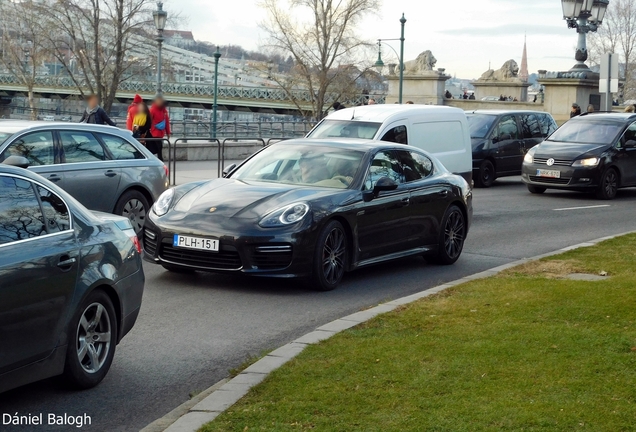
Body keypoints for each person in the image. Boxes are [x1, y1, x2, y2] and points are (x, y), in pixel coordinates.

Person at [149, 96, 171, 161]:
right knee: (158, 147)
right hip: (154, 132)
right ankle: (160, 159)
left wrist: (168, 132)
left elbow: (166, 122)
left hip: (160, 133)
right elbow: (149, 121)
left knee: (158, 147)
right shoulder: (153, 110)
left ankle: (158, 159)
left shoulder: (164, 111)